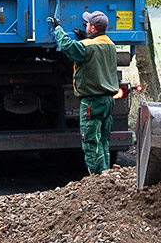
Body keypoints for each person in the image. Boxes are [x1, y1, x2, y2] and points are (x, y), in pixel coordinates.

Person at [47, 11, 119, 175]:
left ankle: (98, 179)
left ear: (93, 29)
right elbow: (94, 56)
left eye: (87, 24)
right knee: (103, 140)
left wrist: (58, 28)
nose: (84, 25)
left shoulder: (85, 47)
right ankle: (107, 175)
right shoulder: (110, 45)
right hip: (108, 101)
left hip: (92, 102)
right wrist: (84, 38)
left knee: (91, 141)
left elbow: (67, 47)